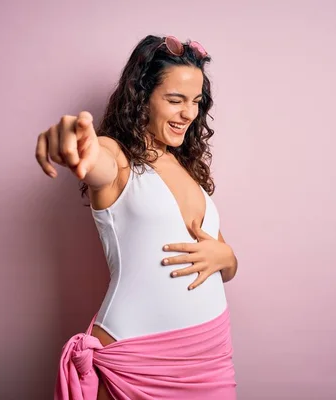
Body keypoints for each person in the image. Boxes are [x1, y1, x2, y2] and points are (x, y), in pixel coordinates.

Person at [36, 34, 239, 400]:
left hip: (210, 357)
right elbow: (95, 160)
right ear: (142, 97)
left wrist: (228, 258)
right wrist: (74, 143)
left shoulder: (188, 168)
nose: (188, 114)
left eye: (195, 102)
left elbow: (223, 260)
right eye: (175, 100)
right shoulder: (117, 156)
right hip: (138, 362)